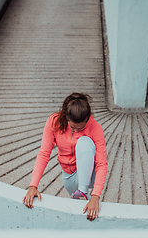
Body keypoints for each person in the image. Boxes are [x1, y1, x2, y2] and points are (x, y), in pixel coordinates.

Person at [22, 93, 108, 221]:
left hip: (90, 175)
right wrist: (33, 186)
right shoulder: (54, 122)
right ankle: (82, 196)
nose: (78, 131)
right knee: (83, 212)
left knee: (84, 141)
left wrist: (96, 196)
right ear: (65, 117)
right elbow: (44, 153)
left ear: (88, 118)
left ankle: (83, 191)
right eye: (73, 127)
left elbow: (101, 163)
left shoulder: (95, 127)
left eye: (82, 127)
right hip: (69, 176)